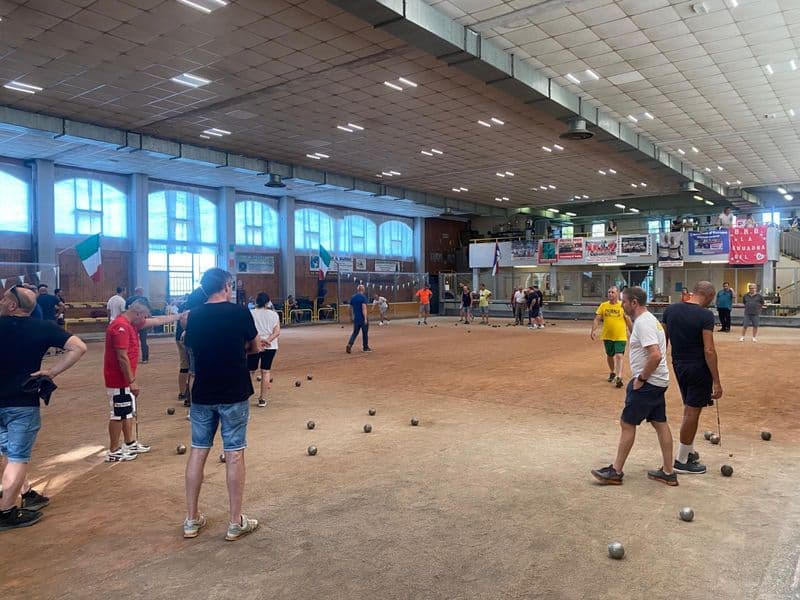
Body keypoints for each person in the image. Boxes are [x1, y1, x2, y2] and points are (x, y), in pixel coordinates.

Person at [0, 285, 87, 531]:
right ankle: (6, 511)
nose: (1, 301)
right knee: (17, 457)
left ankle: (25, 493)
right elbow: (79, 347)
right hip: (22, 401)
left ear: (13, 305)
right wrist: (52, 372)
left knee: (8, 452)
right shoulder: (43, 327)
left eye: (4, 298)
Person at [183, 268, 261, 541]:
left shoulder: (194, 316)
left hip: (203, 391)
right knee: (235, 453)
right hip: (234, 391)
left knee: (198, 451)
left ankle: (191, 519)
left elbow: (191, 348)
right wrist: (239, 350)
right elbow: (255, 346)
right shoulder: (239, 312)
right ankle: (235, 522)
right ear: (226, 286)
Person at [591, 286, 677, 487]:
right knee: (660, 423)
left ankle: (616, 471)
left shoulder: (644, 323)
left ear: (634, 303)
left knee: (627, 424)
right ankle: (668, 472)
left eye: (624, 301)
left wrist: (641, 379)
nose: (622, 305)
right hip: (659, 381)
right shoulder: (650, 320)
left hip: (649, 383)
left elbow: (655, 355)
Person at [104, 297, 181, 462]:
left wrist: (179, 316)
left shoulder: (132, 323)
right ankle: (113, 450)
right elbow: (122, 357)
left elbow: (158, 321)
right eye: (144, 316)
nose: (145, 319)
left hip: (125, 378)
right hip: (118, 379)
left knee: (127, 411)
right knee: (118, 414)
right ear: (137, 313)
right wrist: (132, 381)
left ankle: (129, 443)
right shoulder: (120, 326)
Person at [662, 281, 723, 475]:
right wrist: (716, 380)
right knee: (692, 412)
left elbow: (663, 340)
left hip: (678, 365)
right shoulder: (705, 315)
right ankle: (681, 461)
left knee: (690, 408)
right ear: (710, 296)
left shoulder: (670, 310)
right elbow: (709, 349)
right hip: (698, 367)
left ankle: (688, 452)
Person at [590, 286, 631, 388]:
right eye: (609, 292)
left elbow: (628, 320)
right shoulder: (603, 305)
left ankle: (619, 377)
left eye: (612, 292)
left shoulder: (623, 306)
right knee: (610, 355)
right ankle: (612, 372)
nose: (610, 294)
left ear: (617, 294)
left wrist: (633, 333)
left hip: (620, 336)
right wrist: (593, 330)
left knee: (619, 355)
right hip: (607, 336)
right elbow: (597, 319)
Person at [249, 292, 280, 408]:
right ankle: (262, 399)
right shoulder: (274, 314)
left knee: (250, 371)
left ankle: (245, 397)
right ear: (268, 302)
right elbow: (277, 332)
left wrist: (260, 340)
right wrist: (267, 340)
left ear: (256, 301)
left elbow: (249, 330)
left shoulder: (251, 313)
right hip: (270, 346)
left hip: (254, 344)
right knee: (265, 371)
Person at [346, 284, 371, 353]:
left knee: (355, 333)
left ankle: (349, 344)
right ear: (363, 289)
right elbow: (364, 308)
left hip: (356, 319)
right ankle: (365, 347)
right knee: (365, 333)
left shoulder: (353, 297)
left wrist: (351, 317)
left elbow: (349, 308)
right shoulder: (363, 297)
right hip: (362, 318)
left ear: (358, 289)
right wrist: (365, 318)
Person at [129, 287, 151, 364]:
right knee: (143, 341)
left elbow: (126, 310)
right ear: (140, 292)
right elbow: (148, 311)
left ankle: (131, 357)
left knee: (131, 341)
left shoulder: (130, 299)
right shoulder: (144, 300)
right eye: (142, 291)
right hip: (141, 323)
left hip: (133, 323)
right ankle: (145, 358)